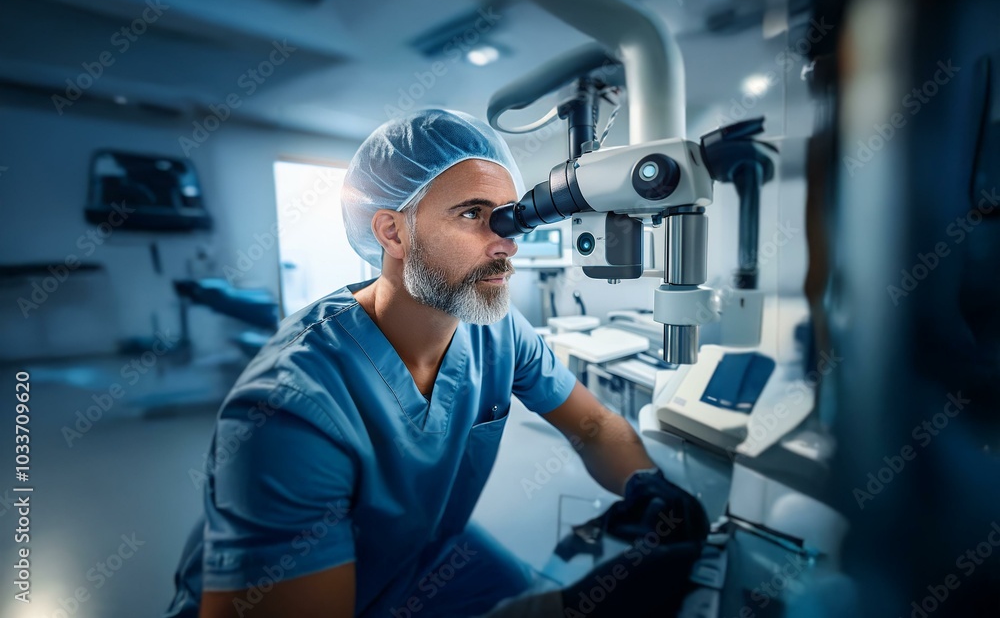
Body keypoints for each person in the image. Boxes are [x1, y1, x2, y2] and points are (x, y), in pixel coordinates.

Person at [164, 109, 705, 618]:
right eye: (472, 214)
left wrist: (646, 486)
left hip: (419, 552)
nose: (506, 243)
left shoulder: (497, 329)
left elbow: (593, 425)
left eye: (508, 217)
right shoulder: (289, 409)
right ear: (392, 232)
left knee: (533, 588)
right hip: (305, 585)